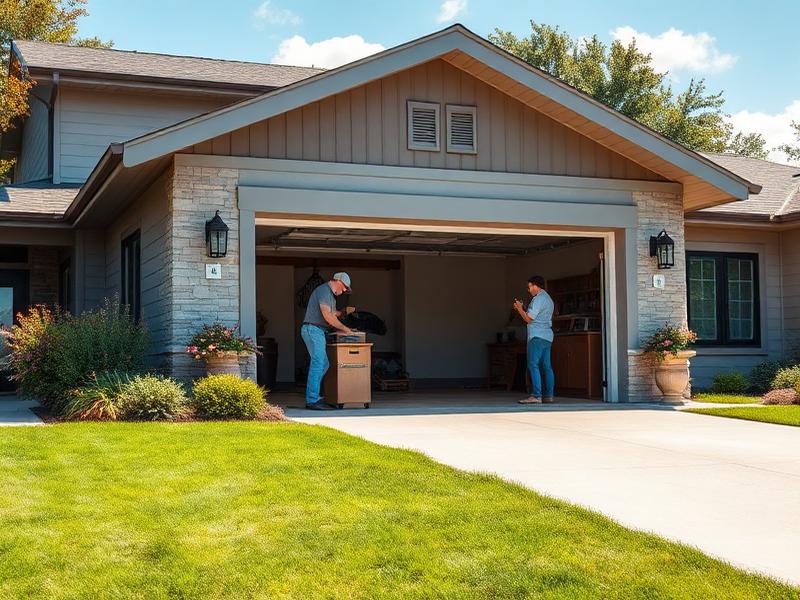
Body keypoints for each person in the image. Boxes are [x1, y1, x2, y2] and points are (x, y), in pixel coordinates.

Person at [301, 272, 356, 410]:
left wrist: (343, 312)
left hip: (317, 331)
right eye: (344, 287)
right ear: (337, 281)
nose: (344, 291)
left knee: (324, 364)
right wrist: (346, 330)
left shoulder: (330, 295)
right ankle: (312, 399)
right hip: (313, 330)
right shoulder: (324, 291)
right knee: (319, 362)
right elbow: (328, 317)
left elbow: (333, 314)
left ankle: (314, 396)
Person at [513, 275, 555, 404]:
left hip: (537, 336)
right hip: (547, 337)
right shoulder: (548, 299)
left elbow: (529, 319)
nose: (529, 289)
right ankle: (548, 395)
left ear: (536, 286)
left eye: (530, 286)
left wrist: (520, 309)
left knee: (533, 365)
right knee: (547, 367)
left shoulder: (538, 299)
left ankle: (536, 395)